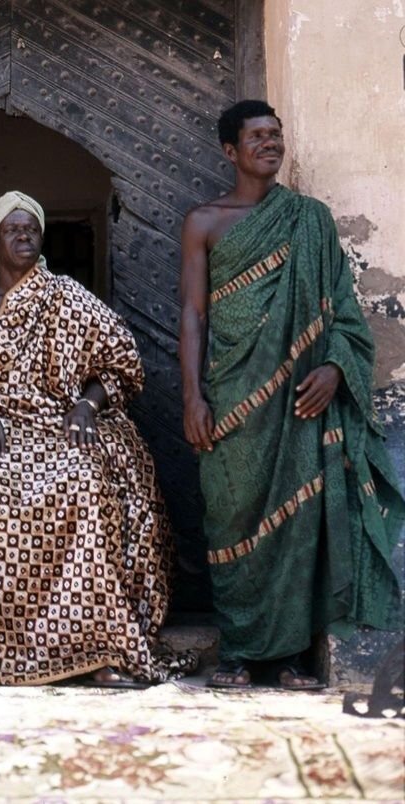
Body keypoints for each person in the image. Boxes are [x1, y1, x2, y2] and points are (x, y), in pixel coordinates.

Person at [0, 191, 196, 687]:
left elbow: (121, 362)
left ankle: (99, 649)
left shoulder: (67, 298)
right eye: (12, 229)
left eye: (31, 228)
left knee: (85, 480)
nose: (23, 236)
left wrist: (86, 404)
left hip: (57, 421)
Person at [179, 100, 403, 689]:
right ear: (231, 151)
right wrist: (192, 398)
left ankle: (284, 657)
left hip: (301, 400)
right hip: (230, 398)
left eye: (276, 135)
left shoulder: (312, 220)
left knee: (298, 520)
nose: (270, 144)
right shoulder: (203, 221)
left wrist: (334, 367)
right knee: (230, 516)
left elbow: (345, 312)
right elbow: (192, 315)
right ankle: (237, 651)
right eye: (257, 136)